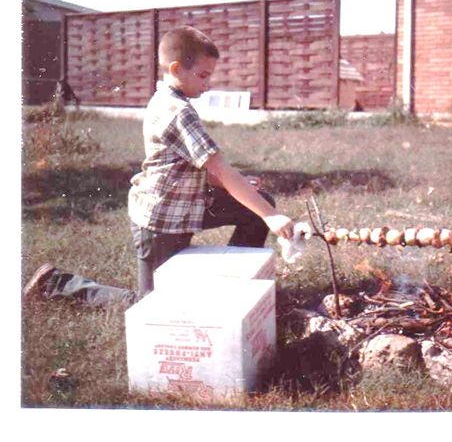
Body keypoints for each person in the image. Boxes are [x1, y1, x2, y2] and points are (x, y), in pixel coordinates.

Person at [23, 25, 295, 306]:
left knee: (259, 203)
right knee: (152, 304)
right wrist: (270, 216)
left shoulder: (174, 101)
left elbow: (197, 167)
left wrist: (246, 196)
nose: (208, 83)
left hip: (188, 206)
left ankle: (231, 287)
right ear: (176, 69)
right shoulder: (176, 111)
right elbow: (221, 169)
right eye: (203, 75)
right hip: (161, 221)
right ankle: (57, 283)